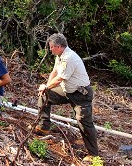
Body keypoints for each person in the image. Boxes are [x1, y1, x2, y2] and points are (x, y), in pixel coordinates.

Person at [35, 33, 99, 161]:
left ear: (58, 46)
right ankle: (43, 127)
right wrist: (47, 88)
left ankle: (93, 155)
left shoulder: (69, 58)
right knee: (44, 96)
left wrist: (46, 87)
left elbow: (60, 78)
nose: (50, 49)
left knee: (84, 123)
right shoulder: (60, 56)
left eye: (51, 47)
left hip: (81, 94)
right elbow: (54, 72)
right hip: (67, 90)